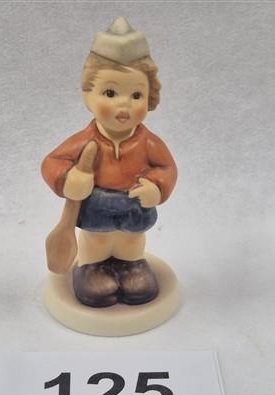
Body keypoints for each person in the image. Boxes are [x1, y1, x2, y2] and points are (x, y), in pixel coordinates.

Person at [42, 17, 177, 307]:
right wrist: (69, 179)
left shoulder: (149, 143)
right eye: (111, 93)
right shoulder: (85, 140)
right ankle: (91, 268)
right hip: (97, 205)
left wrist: (157, 187)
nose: (124, 104)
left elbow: (167, 168)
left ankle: (132, 266)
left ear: (150, 98)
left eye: (136, 94)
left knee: (131, 240)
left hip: (134, 204)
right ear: (88, 95)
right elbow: (52, 162)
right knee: (97, 240)